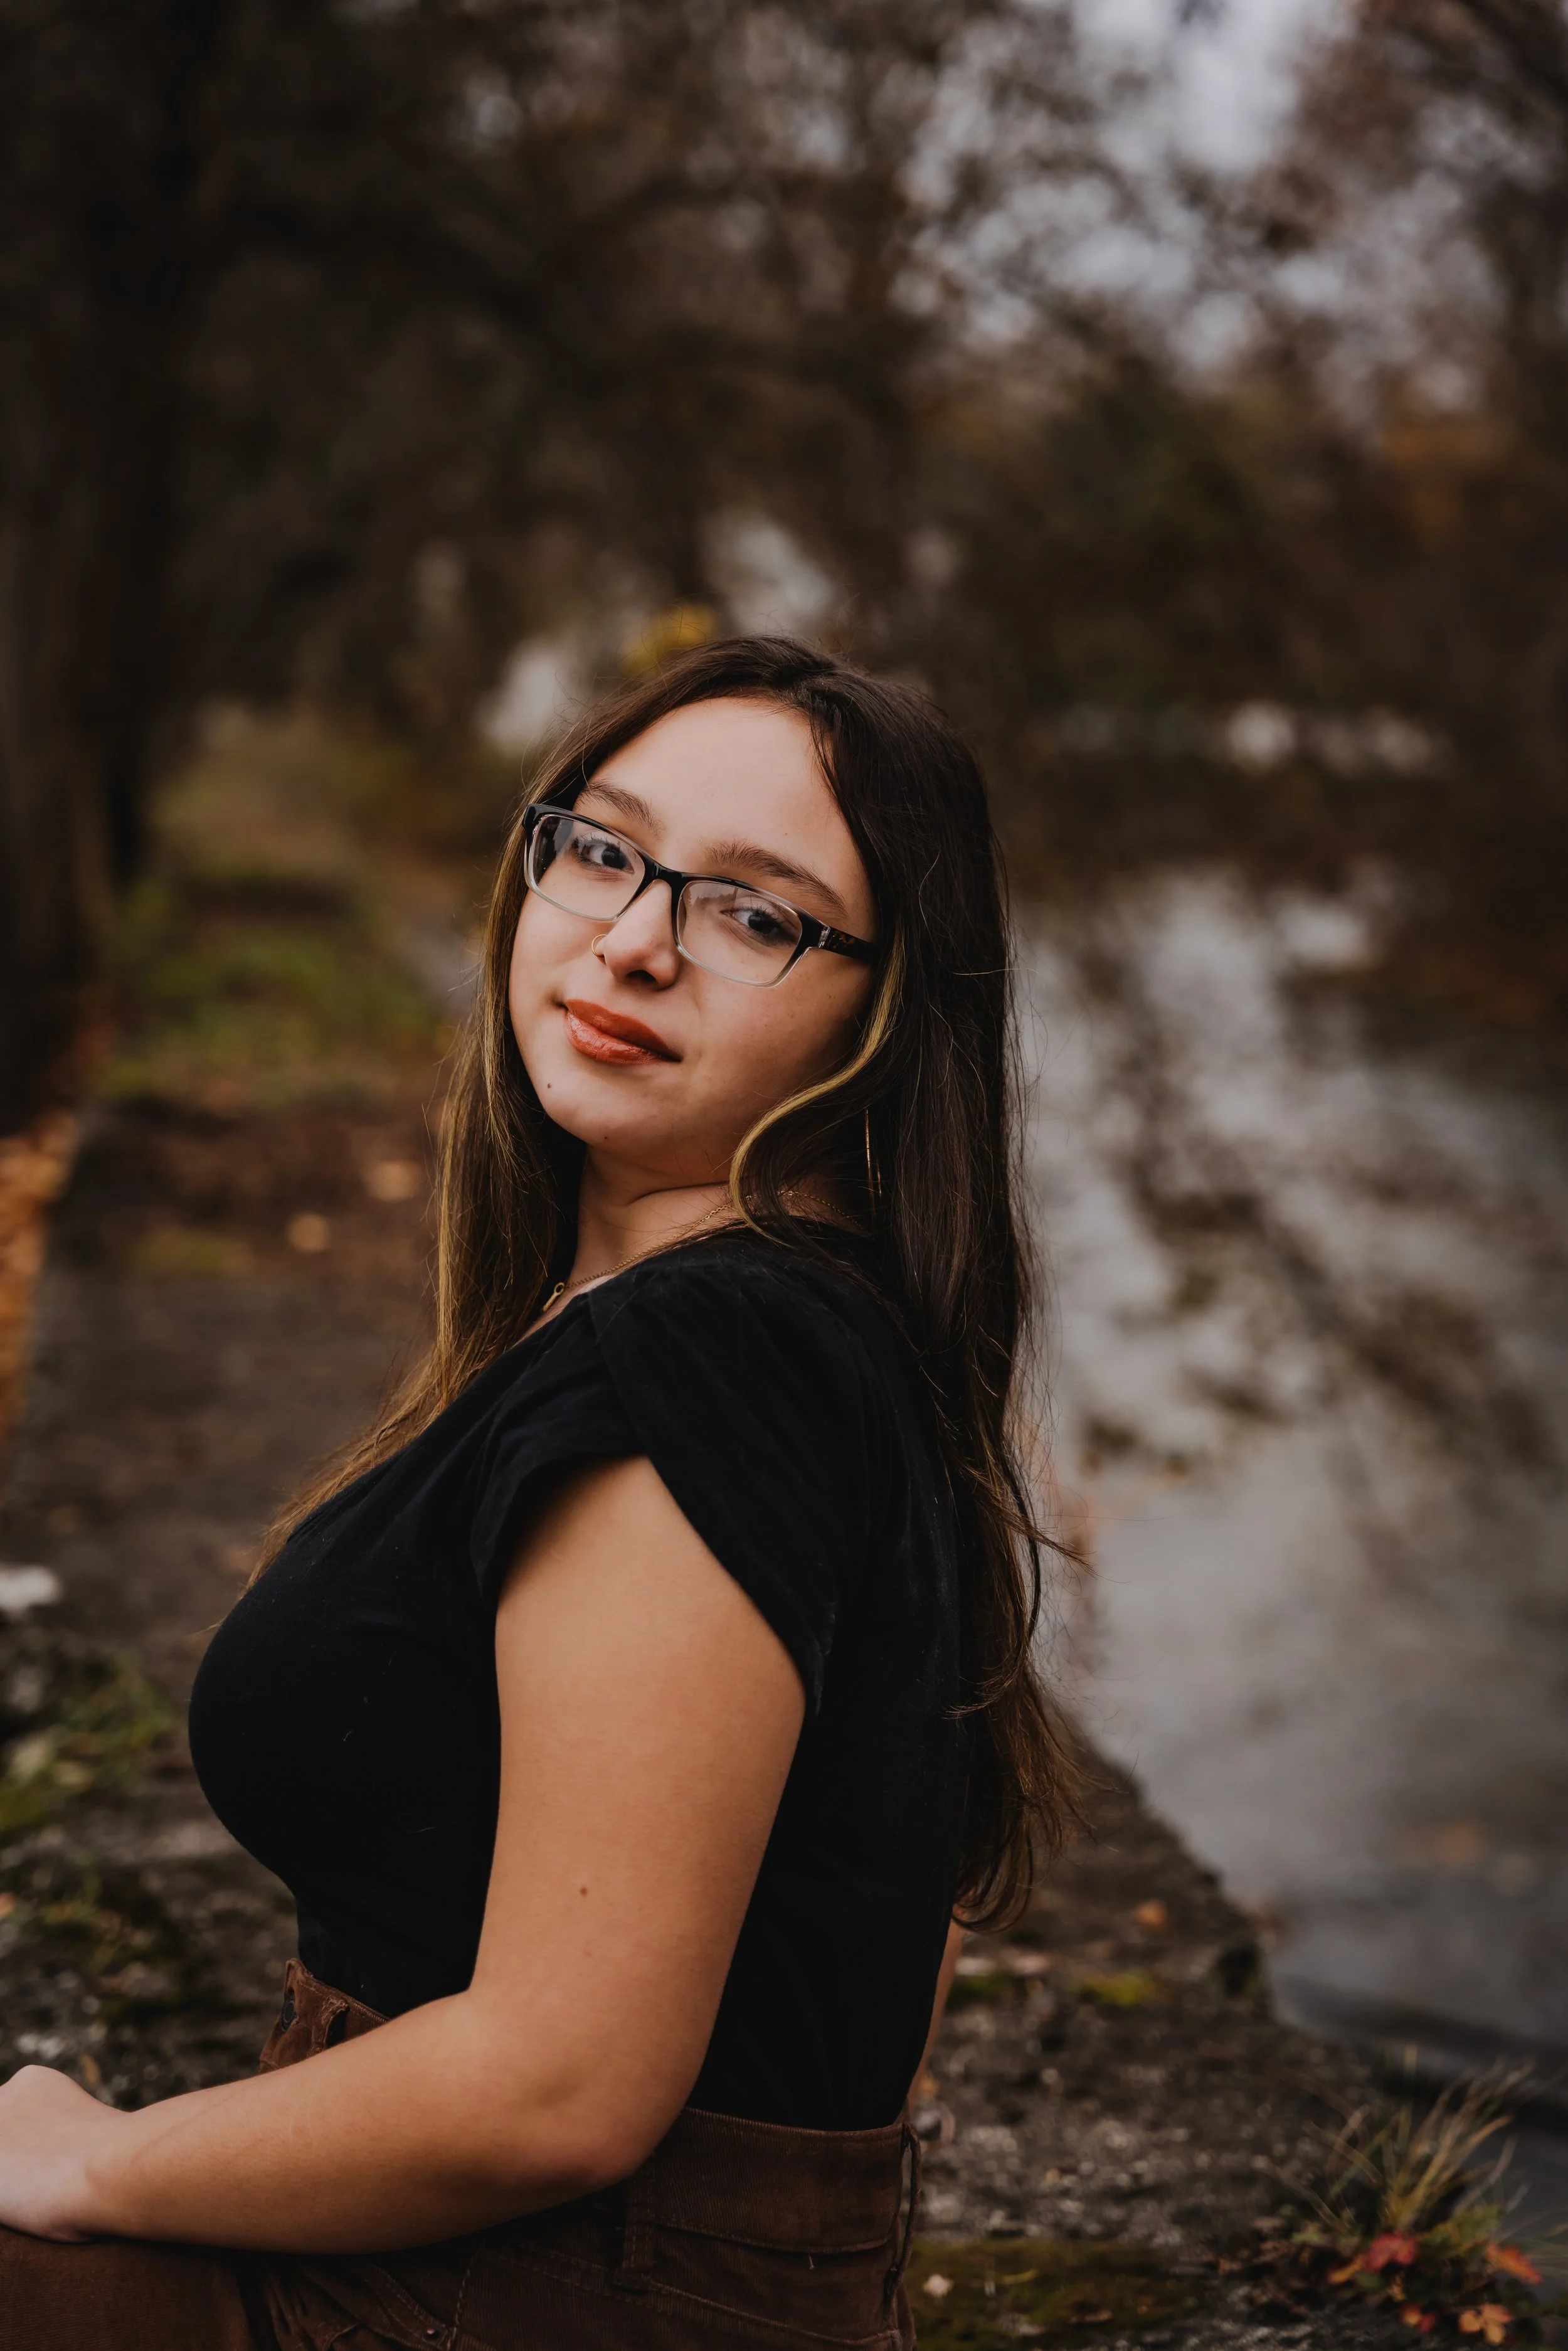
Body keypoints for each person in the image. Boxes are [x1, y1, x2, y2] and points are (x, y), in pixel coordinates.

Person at [0, 635, 1076, 2349]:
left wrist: (91, 2161)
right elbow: (872, 1950)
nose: (633, 938)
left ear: (885, 1010)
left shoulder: (707, 1357)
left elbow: (559, 2086)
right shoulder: (822, 1335)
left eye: (754, 911)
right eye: (604, 846)